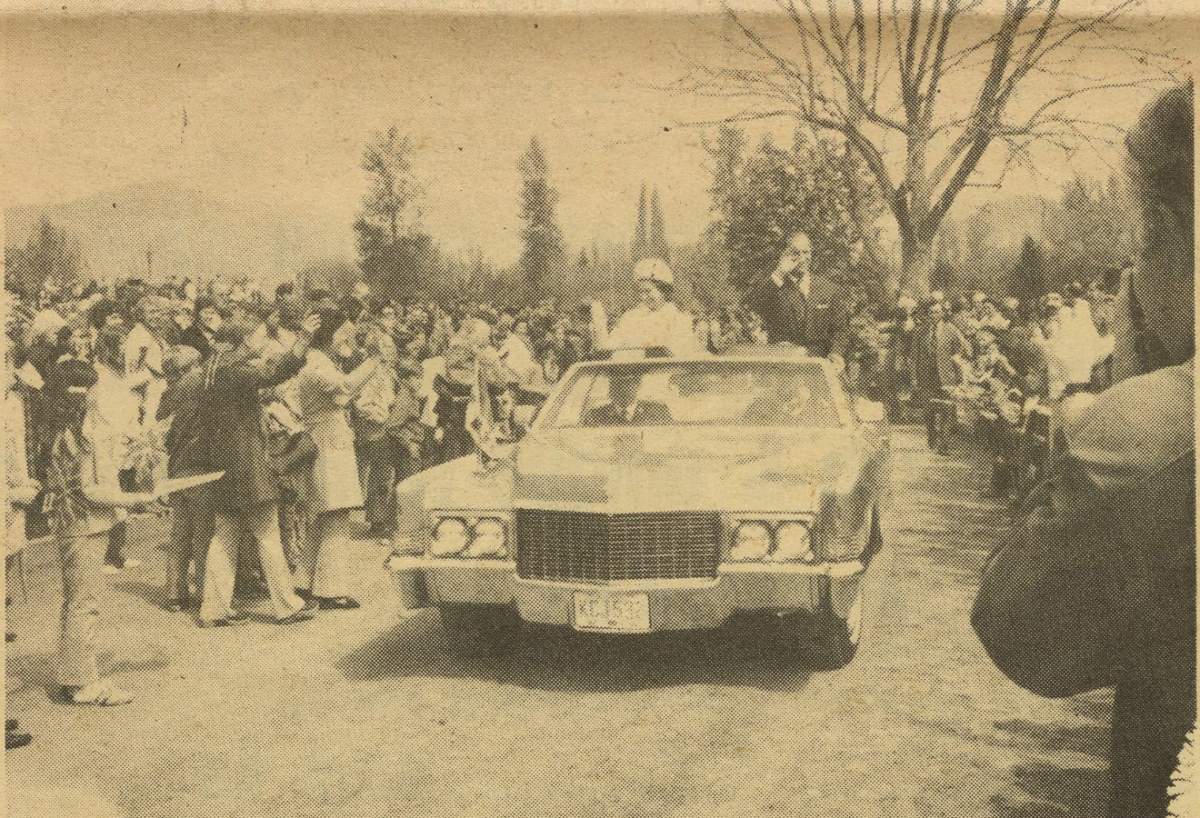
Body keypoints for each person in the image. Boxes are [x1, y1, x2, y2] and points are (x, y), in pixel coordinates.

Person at [973, 82, 1194, 818]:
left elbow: (1020, 630)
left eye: (1141, 247)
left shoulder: (1156, 424)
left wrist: (1109, 398)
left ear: (1171, 237)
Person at [193, 308, 322, 627]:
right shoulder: (236, 371)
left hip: (221, 463)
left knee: (224, 536)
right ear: (245, 339)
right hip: (247, 465)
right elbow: (276, 372)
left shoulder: (210, 368)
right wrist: (304, 339)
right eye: (261, 337)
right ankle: (287, 605)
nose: (264, 342)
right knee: (268, 534)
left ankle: (213, 608)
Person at [42, 361, 157, 705]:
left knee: (77, 602)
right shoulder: (77, 436)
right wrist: (135, 499)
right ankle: (83, 684)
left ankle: (74, 675)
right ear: (84, 394)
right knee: (84, 603)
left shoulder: (64, 430)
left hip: (74, 523)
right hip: (84, 524)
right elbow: (90, 490)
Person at [293, 309, 383, 610]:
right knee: (337, 514)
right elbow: (344, 389)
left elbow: (341, 397)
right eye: (343, 333)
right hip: (328, 445)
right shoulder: (317, 365)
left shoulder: (320, 363)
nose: (348, 339)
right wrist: (374, 361)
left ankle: (304, 581)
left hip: (329, 442)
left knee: (326, 516)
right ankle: (331, 589)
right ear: (328, 336)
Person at [156, 345, 213, 612]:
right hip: (200, 465)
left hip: (176, 466)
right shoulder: (200, 386)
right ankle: (203, 591)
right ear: (189, 367)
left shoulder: (168, 394)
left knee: (179, 532)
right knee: (203, 533)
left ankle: (174, 593)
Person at [745, 232, 849, 364]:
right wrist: (780, 272)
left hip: (819, 364)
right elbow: (756, 305)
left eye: (806, 252)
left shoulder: (829, 289)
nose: (802, 258)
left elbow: (840, 331)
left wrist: (836, 354)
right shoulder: (775, 285)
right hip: (784, 362)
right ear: (784, 256)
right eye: (795, 253)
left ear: (811, 253)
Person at [599, 258, 703, 356]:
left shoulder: (678, 319)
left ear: (663, 290)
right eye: (641, 291)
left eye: (648, 291)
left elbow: (677, 354)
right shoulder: (630, 318)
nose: (643, 297)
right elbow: (610, 347)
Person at [580, 370, 671, 426]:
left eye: (628, 383)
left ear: (638, 385)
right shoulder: (595, 416)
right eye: (616, 383)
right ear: (610, 387)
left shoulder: (658, 412)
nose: (622, 388)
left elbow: (669, 440)